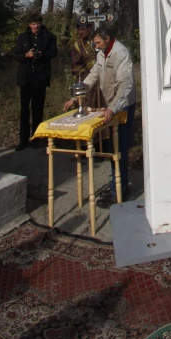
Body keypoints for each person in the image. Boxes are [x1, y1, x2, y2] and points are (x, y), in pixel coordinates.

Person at [64, 25, 136, 203]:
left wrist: (113, 108)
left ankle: (119, 191)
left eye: (98, 42)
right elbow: (94, 74)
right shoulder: (101, 52)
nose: (95, 46)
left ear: (108, 39)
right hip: (111, 103)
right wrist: (77, 96)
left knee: (119, 148)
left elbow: (125, 85)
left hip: (124, 104)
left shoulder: (121, 54)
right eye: (94, 43)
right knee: (112, 147)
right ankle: (116, 185)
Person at [14, 13, 57, 150]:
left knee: (38, 110)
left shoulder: (49, 36)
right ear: (29, 24)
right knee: (24, 110)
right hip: (26, 79)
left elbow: (54, 52)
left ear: (41, 24)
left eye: (38, 23)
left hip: (40, 78)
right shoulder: (23, 37)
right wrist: (27, 55)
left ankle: (36, 137)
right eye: (33, 23)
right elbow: (15, 54)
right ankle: (23, 139)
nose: (36, 26)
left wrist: (42, 55)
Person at [70, 14, 101, 109]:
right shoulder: (78, 45)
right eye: (78, 29)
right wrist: (90, 69)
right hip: (87, 82)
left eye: (82, 29)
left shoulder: (99, 40)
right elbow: (75, 67)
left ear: (90, 27)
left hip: (104, 80)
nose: (80, 32)